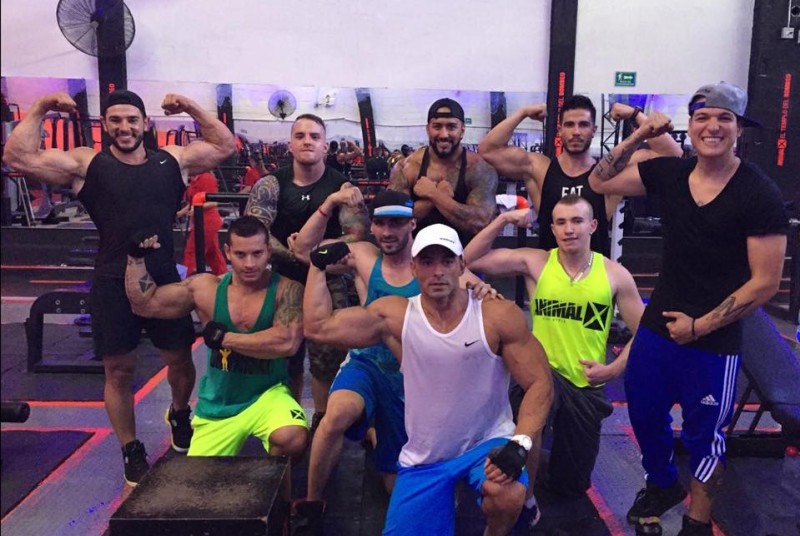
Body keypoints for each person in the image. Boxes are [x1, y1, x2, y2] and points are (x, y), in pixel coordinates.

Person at [3, 89, 235, 486]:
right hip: (112, 280)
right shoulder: (87, 164)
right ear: (104, 125)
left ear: (146, 123)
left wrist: (190, 106)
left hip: (163, 277)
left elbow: (224, 145)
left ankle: (180, 413)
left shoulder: (172, 160)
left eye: (131, 120)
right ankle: (131, 447)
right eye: (115, 120)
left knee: (179, 358)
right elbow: (17, 156)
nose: (124, 127)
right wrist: (40, 106)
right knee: (118, 370)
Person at [587, 82, 788, 536]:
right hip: (658, 325)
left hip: (714, 340)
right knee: (643, 413)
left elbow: (765, 282)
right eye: (703, 117)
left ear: (739, 129)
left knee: (704, 436)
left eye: (724, 118)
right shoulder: (670, 173)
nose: (712, 127)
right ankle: (662, 484)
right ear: (690, 126)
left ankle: (696, 524)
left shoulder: (758, 193)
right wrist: (640, 133)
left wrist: (699, 326)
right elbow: (599, 182)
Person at [303, 223, 553, 536]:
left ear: (462, 265)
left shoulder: (496, 316)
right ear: (413, 268)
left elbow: (540, 383)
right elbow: (318, 328)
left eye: (447, 261)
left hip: (486, 442)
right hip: (426, 456)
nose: (437, 272)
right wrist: (316, 267)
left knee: (507, 492)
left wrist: (520, 443)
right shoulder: (396, 316)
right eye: (427, 262)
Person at [290, 190, 499, 534]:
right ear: (372, 226)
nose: (388, 232)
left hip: (414, 378)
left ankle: (375, 434)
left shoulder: (432, 267)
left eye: (397, 223)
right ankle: (312, 503)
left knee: (392, 486)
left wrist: (485, 293)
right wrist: (329, 204)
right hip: (368, 363)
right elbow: (304, 251)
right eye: (381, 223)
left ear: (412, 225)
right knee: (335, 414)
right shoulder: (362, 255)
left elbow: (479, 293)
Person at [465, 195, 644, 503]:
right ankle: (525, 495)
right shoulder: (537, 262)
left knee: (571, 484)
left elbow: (645, 331)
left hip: (585, 381)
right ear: (552, 229)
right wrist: (504, 218)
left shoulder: (614, 274)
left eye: (576, 221)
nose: (569, 229)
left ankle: (547, 471)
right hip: (539, 372)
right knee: (528, 427)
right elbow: (468, 259)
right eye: (561, 222)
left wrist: (613, 369)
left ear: (593, 225)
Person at [124, 216, 307, 465]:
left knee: (293, 437)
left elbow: (287, 343)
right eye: (241, 254)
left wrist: (225, 339)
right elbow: (145, 305)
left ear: (268, 251)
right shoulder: (206, 289)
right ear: (227, 252)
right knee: (198, 481)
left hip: (268, 396)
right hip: (218, 404)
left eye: (257, 254)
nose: (250, 263)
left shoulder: (287, 290)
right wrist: (135, 258)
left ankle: (279, 488)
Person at [246, 113, 368, 427]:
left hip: (328, 283)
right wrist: (296, 254)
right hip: (283, 280)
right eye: (300, 136)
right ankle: (289, 420)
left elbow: (357, 237)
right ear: (290, 144)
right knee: (285, 360)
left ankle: (322, 423)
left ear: (325, 146)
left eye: (314, 136)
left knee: (326, 362)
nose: (307, 142)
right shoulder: (271, 184)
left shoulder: (342, 187)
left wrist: (314, 253)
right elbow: (254, 234)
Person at [478, 96, 682, 256]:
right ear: (560, 130)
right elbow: (488, 150)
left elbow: (673, 155)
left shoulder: (612, 173)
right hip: (550, 276)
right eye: (569, 125)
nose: (576, 132)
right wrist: (522, 112)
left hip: (594, 280)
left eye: (583, 125)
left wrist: (634, 113)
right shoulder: (540, 168)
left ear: (594, 130)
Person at [388, 98, 498, 246]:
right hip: (417, 255)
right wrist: (435, 197)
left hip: (466, 255)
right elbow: (394, 221)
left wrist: (434, 194)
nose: (444, 134)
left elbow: (480, 223)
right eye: (437, 126)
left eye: (451, 127)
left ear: (462, 131)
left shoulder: (479, 169)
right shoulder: (406, 167)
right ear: (428, 129)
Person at [179, 171, 227, 276]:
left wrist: (197, 208)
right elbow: (192, 203)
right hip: (201, 221)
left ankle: (183, 278)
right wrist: (180, 213)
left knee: (191, 251)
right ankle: (224, 276)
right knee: (213, 254)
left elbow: (214, 202)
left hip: (207, 222)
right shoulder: (194, 179)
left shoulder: (206, 178)